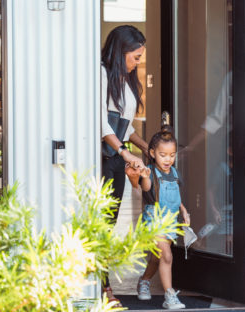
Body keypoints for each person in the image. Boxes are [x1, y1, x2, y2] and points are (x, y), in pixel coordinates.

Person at [100, 25, 149, 307]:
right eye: (136, 57)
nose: (137, 63)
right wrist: (123, 151)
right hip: (104, 158)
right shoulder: (102, 74)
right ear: (121, 52)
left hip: (117, 159)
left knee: (110, 222)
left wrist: (146, 149)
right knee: (101, 224)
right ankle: (103, 287)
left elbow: (125, 126)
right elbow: (101, 122)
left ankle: (101, 283)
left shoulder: (126, 81)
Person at [136, 125, 190, 310]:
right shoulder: (150, 171)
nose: (168, 160)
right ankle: (169, 296)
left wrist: (184, 210)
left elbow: (177, 196)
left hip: (171, 221)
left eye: (172, 155)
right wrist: (144, 177)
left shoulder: (174, 173)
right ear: (152, 153)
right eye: (163, 155)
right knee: (166, 255)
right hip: (155, 220)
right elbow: (145, 188)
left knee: (158, 258)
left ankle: (144, 280)